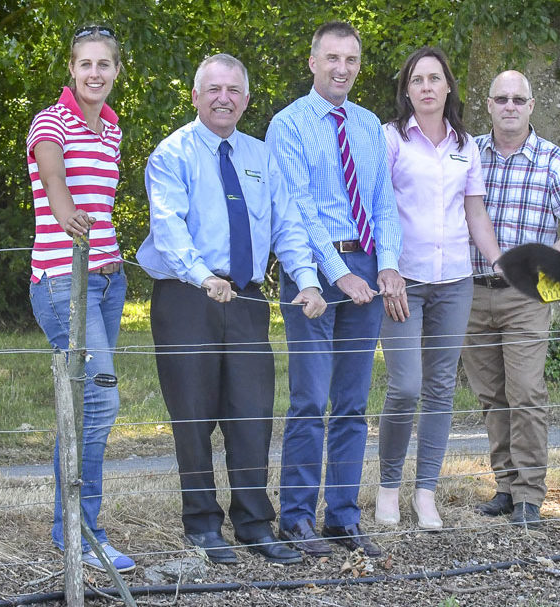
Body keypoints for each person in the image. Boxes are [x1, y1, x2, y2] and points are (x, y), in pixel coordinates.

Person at [136, 53, 326, 565]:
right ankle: (201, 525)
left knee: (251, 415)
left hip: (245, 299)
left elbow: (287, 227)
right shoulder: (172, 153)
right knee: (193, 417)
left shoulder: (261, 157)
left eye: (234, 90)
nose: (224, 98)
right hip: (187, 297)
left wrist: (306, 281)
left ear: (245, 98)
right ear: (195, 96)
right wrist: (203, 277)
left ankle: (253, 524)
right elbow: (170, 227)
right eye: (214, 89)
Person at [266, 21, 404, 558]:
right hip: (314, 274)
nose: (341, 68)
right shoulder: (289, 124)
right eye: (331, 58)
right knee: (310, 399)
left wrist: (386, 266)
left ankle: (342, 518)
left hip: (366, 267)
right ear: (312, 61)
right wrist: (336, 270)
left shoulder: (370, 125)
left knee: (350, 404)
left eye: (350, 59)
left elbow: (382, 201)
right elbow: (297, 208)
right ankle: (296, 518)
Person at [374, 47, 503, 530]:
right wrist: (387, 270)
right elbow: (379, 208)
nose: (426, 87)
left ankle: (425, 491)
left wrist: (498, 260)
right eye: (417, 80)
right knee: (405, 386)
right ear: (406, 90)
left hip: (454, 283)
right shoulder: (389, 140)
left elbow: (475, 214)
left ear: (448, 86)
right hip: (402, 280)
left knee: (441, 389)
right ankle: (389, 486)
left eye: (435, 78)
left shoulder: (466, 145)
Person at [27, 24, 134, 573]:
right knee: (100, 402)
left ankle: (70, 527)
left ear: (117, 71)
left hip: (109, 281)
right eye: (85, 64)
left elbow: (106, 204)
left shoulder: (112, 129)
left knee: (85, 406)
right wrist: (67, 212)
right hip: (62, 280)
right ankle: (82, 533)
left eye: (104, 65)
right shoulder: (51, 120)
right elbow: (51, 175)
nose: (95, 73)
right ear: (71, 68)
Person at [464, 71, 560, 528]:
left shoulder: (553, 161)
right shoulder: (468, 153)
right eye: (502, 98)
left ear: (532, 105)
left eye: (519, 98)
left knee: (527, 393)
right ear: (489, 103)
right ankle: (504, 485)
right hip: (472, 293)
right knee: (491, 396)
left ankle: (529, 495)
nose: (510, 106)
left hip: (526, 295)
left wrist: (551, 257)